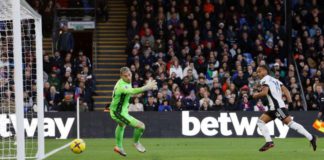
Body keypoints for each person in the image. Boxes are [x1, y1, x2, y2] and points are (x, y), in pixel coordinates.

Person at [252, 65, 317, 152]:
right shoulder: (276, 80)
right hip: (274, 108)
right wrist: (290, 102)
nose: (258, 73)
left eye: (259, 71)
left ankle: (311, 137)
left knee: (290, 123)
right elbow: (286, 90)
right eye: (257, 72)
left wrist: (255, 95)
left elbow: (264, 93)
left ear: (265, 71)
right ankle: (269, 142)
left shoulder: (264, 79)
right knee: (260, 122)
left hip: (277, 107)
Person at [109, 67, 157, 156]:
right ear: (121, 76)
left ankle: (118, 146)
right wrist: (146, 87)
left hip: (119, 109)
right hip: (118, 113)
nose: (128, 77)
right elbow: (132, 91)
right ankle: (136, 142)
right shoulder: (121, 86)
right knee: (141, 126)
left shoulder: (126, 81)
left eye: (129, 75)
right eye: (125, 76)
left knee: (121, 125)